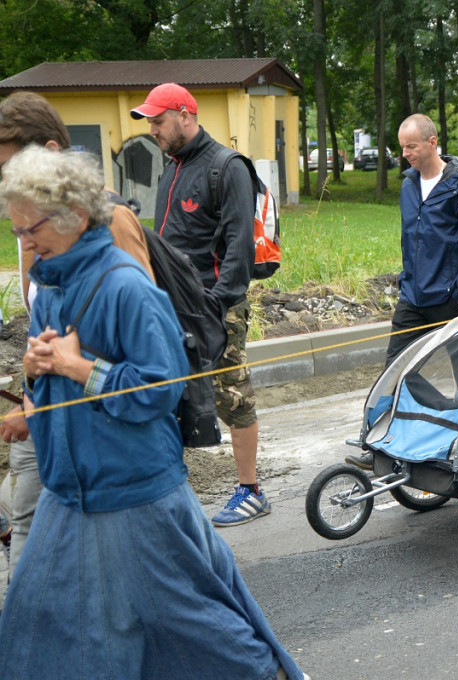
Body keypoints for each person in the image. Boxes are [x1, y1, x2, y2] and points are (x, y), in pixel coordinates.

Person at [0, 146, 304, 679]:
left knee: (195, 627)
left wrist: (79, 369)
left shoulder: (125, 286)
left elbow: (160, 390)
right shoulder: (49, 286)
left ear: (72, 216)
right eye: (15, 230)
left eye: (32, 229)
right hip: (69, 494)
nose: (22, 243)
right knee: (37, 625)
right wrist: (33, 376)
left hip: (135, 494)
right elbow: (51, 380)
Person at [0, 91, 155, 578]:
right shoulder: (32, 228)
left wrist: (66, 375)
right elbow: (49, 319)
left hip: (103, 427)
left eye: (7, 164)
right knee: (27, 519)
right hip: (49, 408)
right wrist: (33, 386)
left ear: (48, 153)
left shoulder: (110, 221)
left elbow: (141, 339)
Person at [131, 83, 267, 527]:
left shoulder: (226, 168)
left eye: (158, 120)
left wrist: (215, 303)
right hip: (169, 304)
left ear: (186, 114)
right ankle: (174, 488)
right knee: (172, 394)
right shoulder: (170, 168)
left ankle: (251, 491)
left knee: (233, 396)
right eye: (149, 121)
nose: (153, 129)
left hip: (214, 306)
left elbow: (239, 248)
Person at [347, 113, 458, 469]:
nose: (405, 154)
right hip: (412, 299)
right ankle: (380, 444)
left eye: (411, 146)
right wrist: (407, 280)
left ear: (432, 142)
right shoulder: (409, 185)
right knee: (394, 374)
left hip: (451, 302)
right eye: (402, 147)